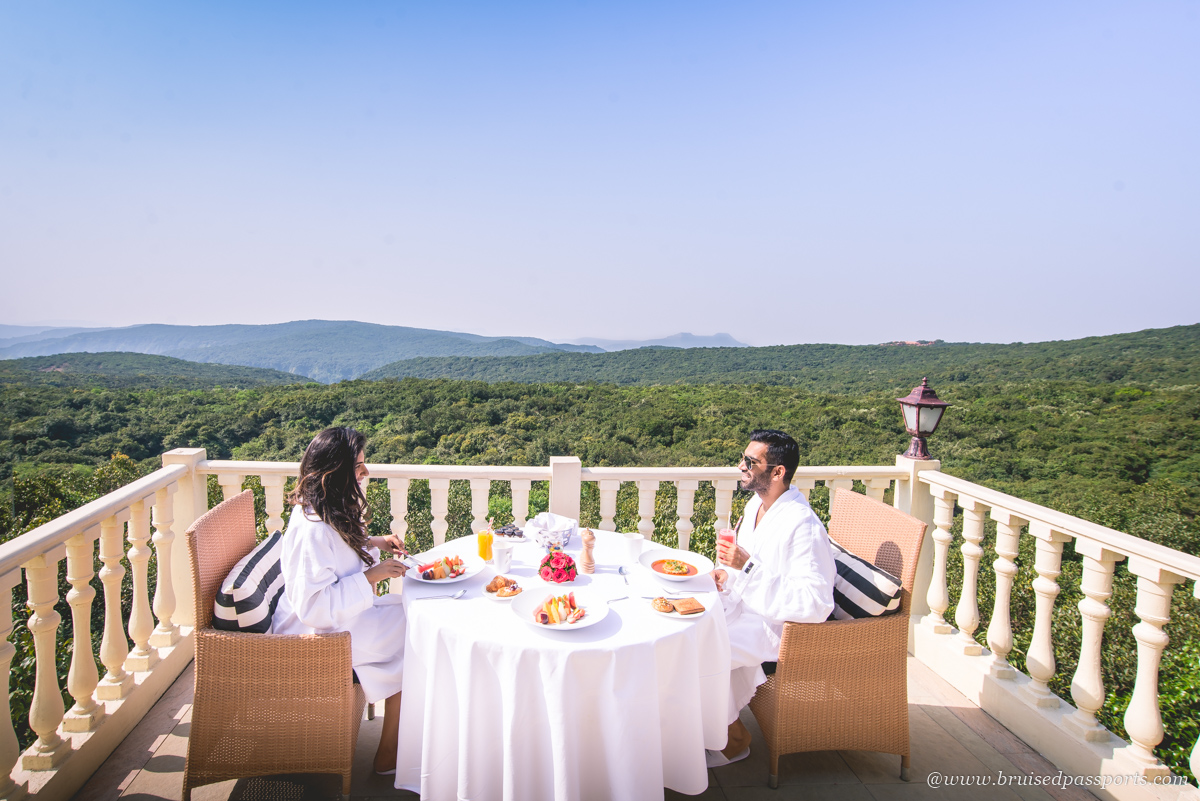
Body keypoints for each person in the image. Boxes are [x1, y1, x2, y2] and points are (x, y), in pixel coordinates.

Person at [272, 427, 410, 775]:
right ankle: (390, 752)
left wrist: (375, 542)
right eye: (359, 466)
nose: (366, 473)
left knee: (414, 616)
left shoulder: (325, 507)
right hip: (318, 638)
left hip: (345, 618)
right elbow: (314, 607)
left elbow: (337, 557)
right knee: (418, 633)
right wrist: (374, 576)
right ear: (335, 473)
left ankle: (398, 738)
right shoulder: (312, 528)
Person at [707, 429, 836, 767]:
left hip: (772, 626)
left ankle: (732, 740)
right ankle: (701, 730)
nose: (741, 466)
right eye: (743, 458)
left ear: (778, 471)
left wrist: (744, 568)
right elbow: (748, 567)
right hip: (743, 606)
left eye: (750, 462)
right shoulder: (756, 505)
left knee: (694, 647)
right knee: (682, 621)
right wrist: (727, 575)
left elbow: (817, 602)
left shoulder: (803, 525)